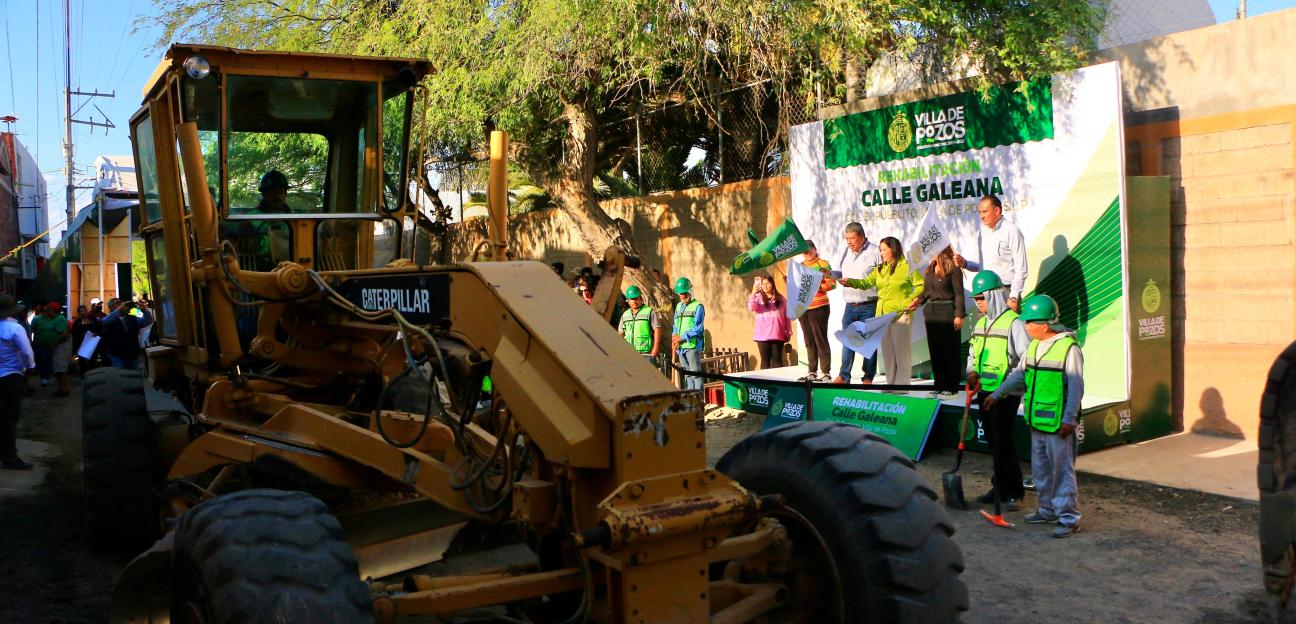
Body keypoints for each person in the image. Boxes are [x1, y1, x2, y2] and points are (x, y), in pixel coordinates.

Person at [984, 294, 1085, 538]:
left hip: (1058, 423)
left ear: (1045, 324)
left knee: (1062, 472)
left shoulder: (1068, 349)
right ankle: (1047, 509)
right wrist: (997, 394)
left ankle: (1069, 518)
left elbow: (1075, 387)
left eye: (1029, 323)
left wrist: (1069, 419)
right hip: (1038, 421)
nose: (1026, 327)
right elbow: (1019, 376)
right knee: (1040, 470)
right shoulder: (1034, 346)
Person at [965, 270, 1030, 510]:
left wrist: (1001, 392)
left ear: (994, 295)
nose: (979, 303)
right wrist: (970, 371)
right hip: (985, 392)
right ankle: (999, 486)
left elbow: (1025, 362)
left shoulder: (1015, 323)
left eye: (982, 298)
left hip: (1006, 395)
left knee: (1004, 441)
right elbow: (973, 353)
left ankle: (1015, 492)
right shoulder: (981, 323)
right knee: (993, 442)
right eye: (976, 299)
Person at [839, 236, 924, 386]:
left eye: (884, 249)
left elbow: (920, 285)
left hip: (901, 316)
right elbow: (866, 283)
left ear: (893, 249)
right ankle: (891, 384)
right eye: (880, 250)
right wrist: (850, 281)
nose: (881, 252)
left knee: (901, 353)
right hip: (882, 317)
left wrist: (908, 301)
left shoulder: (907, 266)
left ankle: (902, 385)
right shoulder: (880, 269)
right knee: (888, 353)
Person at [953, 195, 1028, 312]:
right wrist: (965, 264)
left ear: (997, 210)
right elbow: (982, 266)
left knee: (1007, 329)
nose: (981, 216)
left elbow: (1021, 268)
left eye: (985, 212)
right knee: (990, 329)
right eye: (979, 212)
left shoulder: (1011, 230)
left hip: (1005, 292)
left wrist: (1013, 297)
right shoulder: (982, 233)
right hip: (984, 293)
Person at [911, 246, 965, 392]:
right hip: (931, 313)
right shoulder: (930, 268)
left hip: (947, 312)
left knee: (950, 351)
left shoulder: (954, 269)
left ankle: (952, 386)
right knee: (936, 351)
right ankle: (939, 385)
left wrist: (959, 315)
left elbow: (959, 293)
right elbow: (927, 292)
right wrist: (918, 300)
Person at [834, 222, 882, 384]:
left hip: (869, 305)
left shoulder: (875, 251)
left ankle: (868, 376)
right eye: (847, 238)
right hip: (849, 306)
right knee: (847, 341)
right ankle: (844, 376)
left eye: (852, 238)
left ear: (861, 236)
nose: (849, 242)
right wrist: (829, 273)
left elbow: (882, 277)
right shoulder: (846, 252)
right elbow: (840, 272)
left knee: (869, 343)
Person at [0, 294, 35, 469]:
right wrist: (30, 368)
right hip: (11, 376)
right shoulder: (14, 328)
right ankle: (9, 457)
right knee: (9, 418)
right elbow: (26, 352)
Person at [798, 241, 834, 381]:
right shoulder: (800, 267)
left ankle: (825, 372)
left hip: (819, 307)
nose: (807, 253)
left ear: (814, 249)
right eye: (804, 251)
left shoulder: (823, 264)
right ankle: (812, 371)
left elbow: (832, 284)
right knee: (809, 340)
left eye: (809, 250)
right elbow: (798, 287)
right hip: (803, 308)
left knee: (820, 338)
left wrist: (818, 286)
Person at [747, 274, 791, 370]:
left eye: (767, 283)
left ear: (772, 284)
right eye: (763, 284)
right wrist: (753, 292)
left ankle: (779, 384)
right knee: (765, 362)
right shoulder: (758, 297)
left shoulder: (781, 299)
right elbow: (751, 308)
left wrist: (788, 332)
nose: (765, 286)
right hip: (762, 336)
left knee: (777, 362)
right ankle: (764, 384)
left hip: (777, 335)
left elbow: (787, 317)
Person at [671, 277, 705, 391]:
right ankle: (691, 399)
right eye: (680, 294)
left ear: (690, 291)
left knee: (695, 374)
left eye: (684, 294)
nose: (681, 296)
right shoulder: (678, 306)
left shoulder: (698, 306)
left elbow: (698, 328)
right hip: (681, 347)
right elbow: (676, 324)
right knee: (687, 375)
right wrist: (675, 337)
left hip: (692, 346)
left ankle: (699, 400)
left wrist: (682, 337)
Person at [30, 301, 71, 397]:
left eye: (48, 309)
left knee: (61, 370)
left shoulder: (59, 319)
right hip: (57, 347)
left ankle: (64, 389)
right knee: (58, 369)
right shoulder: (56, 319)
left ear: (52, 310)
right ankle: (62, 388)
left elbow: (64, 335)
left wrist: (53, 344)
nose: (47, 311)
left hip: (61, 347)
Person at [619, 286, 662, 365]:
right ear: (628, 301)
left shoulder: (649, 312)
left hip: (646, 352)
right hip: (629, 352)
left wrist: (656, 347)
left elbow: (657, 329)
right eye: (632, 299)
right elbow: (621, 333)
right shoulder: (625, 315)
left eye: (636, 298)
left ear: (641, 298)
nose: (634, 301)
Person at [100, 298, 144, 370]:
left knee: (135, 378)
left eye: (121, 302)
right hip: (118, 356)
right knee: (121, 378)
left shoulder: (131, 316)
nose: (121, 304)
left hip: (133, 354)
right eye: (117, 303)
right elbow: (105, 322)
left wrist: (137, 309)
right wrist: (120, 308)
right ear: (111, 308)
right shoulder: (111, 319)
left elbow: (142, 320)